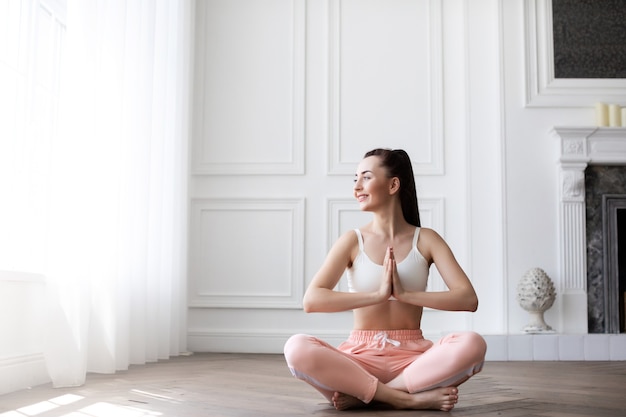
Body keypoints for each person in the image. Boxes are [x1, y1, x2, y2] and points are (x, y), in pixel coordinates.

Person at [283, 148, 487, 412]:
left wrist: (405, 294)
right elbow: (312, 300)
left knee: (473, 344)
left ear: (393, 184)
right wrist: (377, 295)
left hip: (414, 362)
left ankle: (371, 395)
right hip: (358, 360)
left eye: (366, 177)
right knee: (296, 347)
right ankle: (405, 399)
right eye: (355, 179)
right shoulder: (352, 240)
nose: (357, 187)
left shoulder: (426, 239)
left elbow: (468, 299)